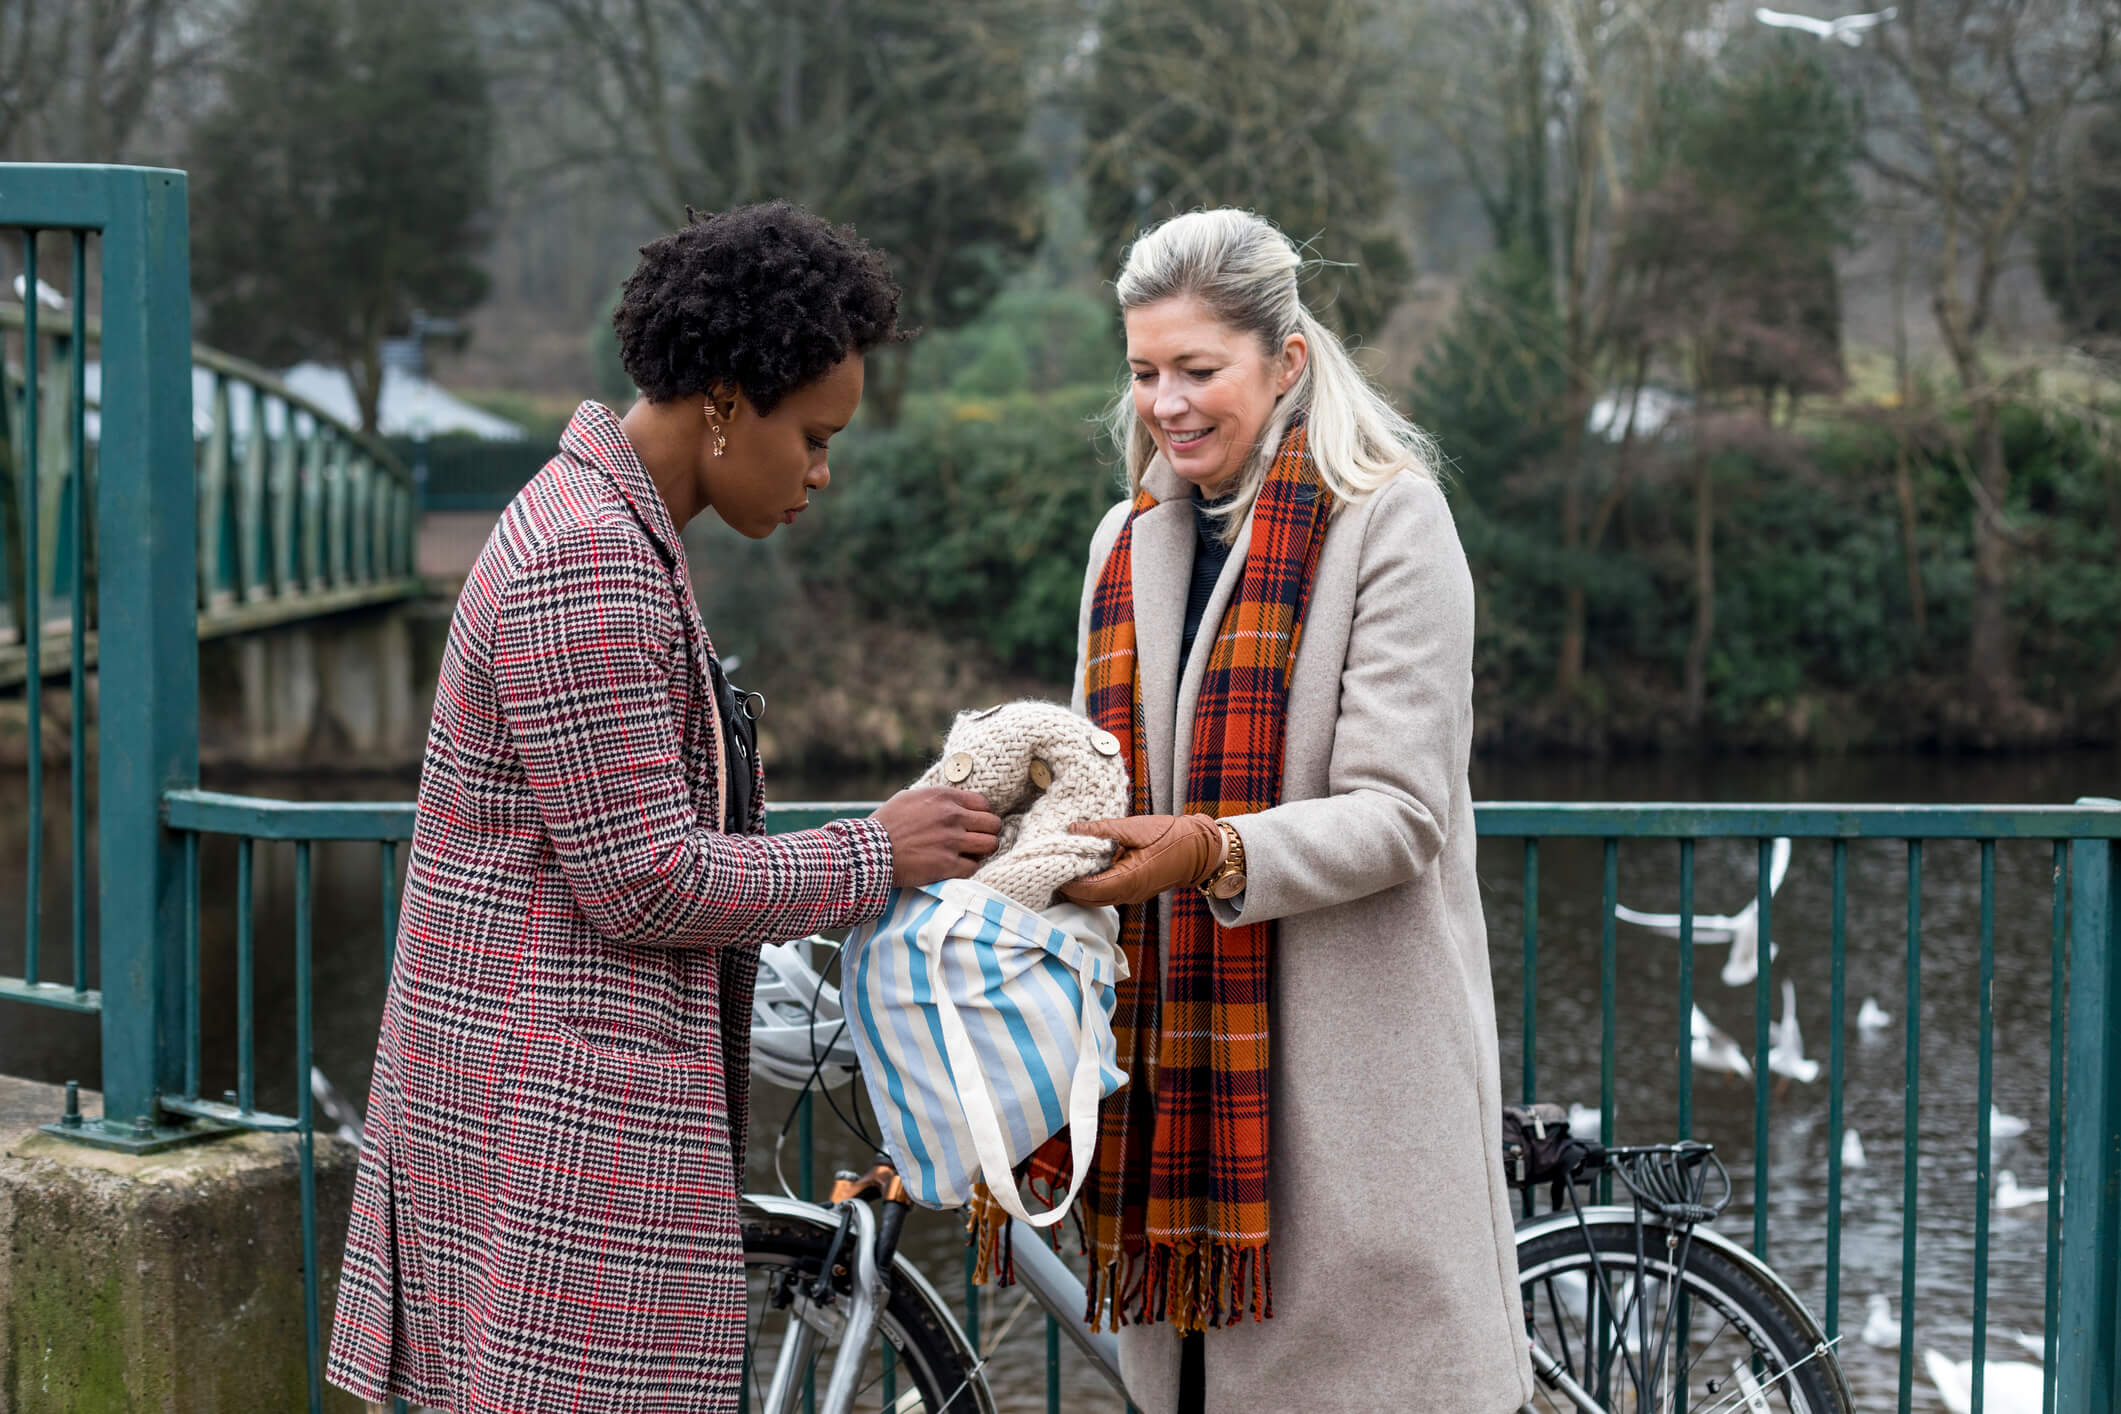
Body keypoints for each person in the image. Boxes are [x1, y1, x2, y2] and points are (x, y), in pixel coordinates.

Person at [326, 203, 1002, 1412]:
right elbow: (646, 881)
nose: (823, 473)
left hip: (540, 1112)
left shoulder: (609, 526)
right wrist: (875, 851)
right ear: (728, 403)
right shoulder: (590, 556)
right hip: (554, 1136)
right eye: (814, 436)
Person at [1055, 208, 1534, 1413]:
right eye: (1145, 371)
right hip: (1182, 1103)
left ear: (1288, 360)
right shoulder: (1127, 541)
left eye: (1199, 369)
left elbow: (1401, 814)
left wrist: (1211, 851)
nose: (1167, 401)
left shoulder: (1392, 520)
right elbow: (1094, 782)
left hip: (1350, 1100)